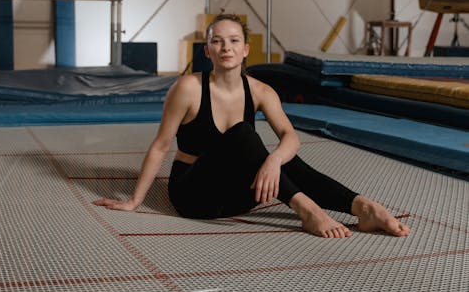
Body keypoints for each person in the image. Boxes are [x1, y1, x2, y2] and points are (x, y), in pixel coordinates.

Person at [94, 14, 410, 238]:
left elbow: (290, 137)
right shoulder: (188, 88)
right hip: (194, 195)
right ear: (207, 51)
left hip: (241, 197)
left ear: (246, 49)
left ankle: (362, 206)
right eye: (217, 42)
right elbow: (161, 145)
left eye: (234, 41)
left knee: (285, 158)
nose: (226, 47)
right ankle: (308, 211)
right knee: (244, 134)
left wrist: (273, 160)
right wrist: (134, 201)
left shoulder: (260, 91)